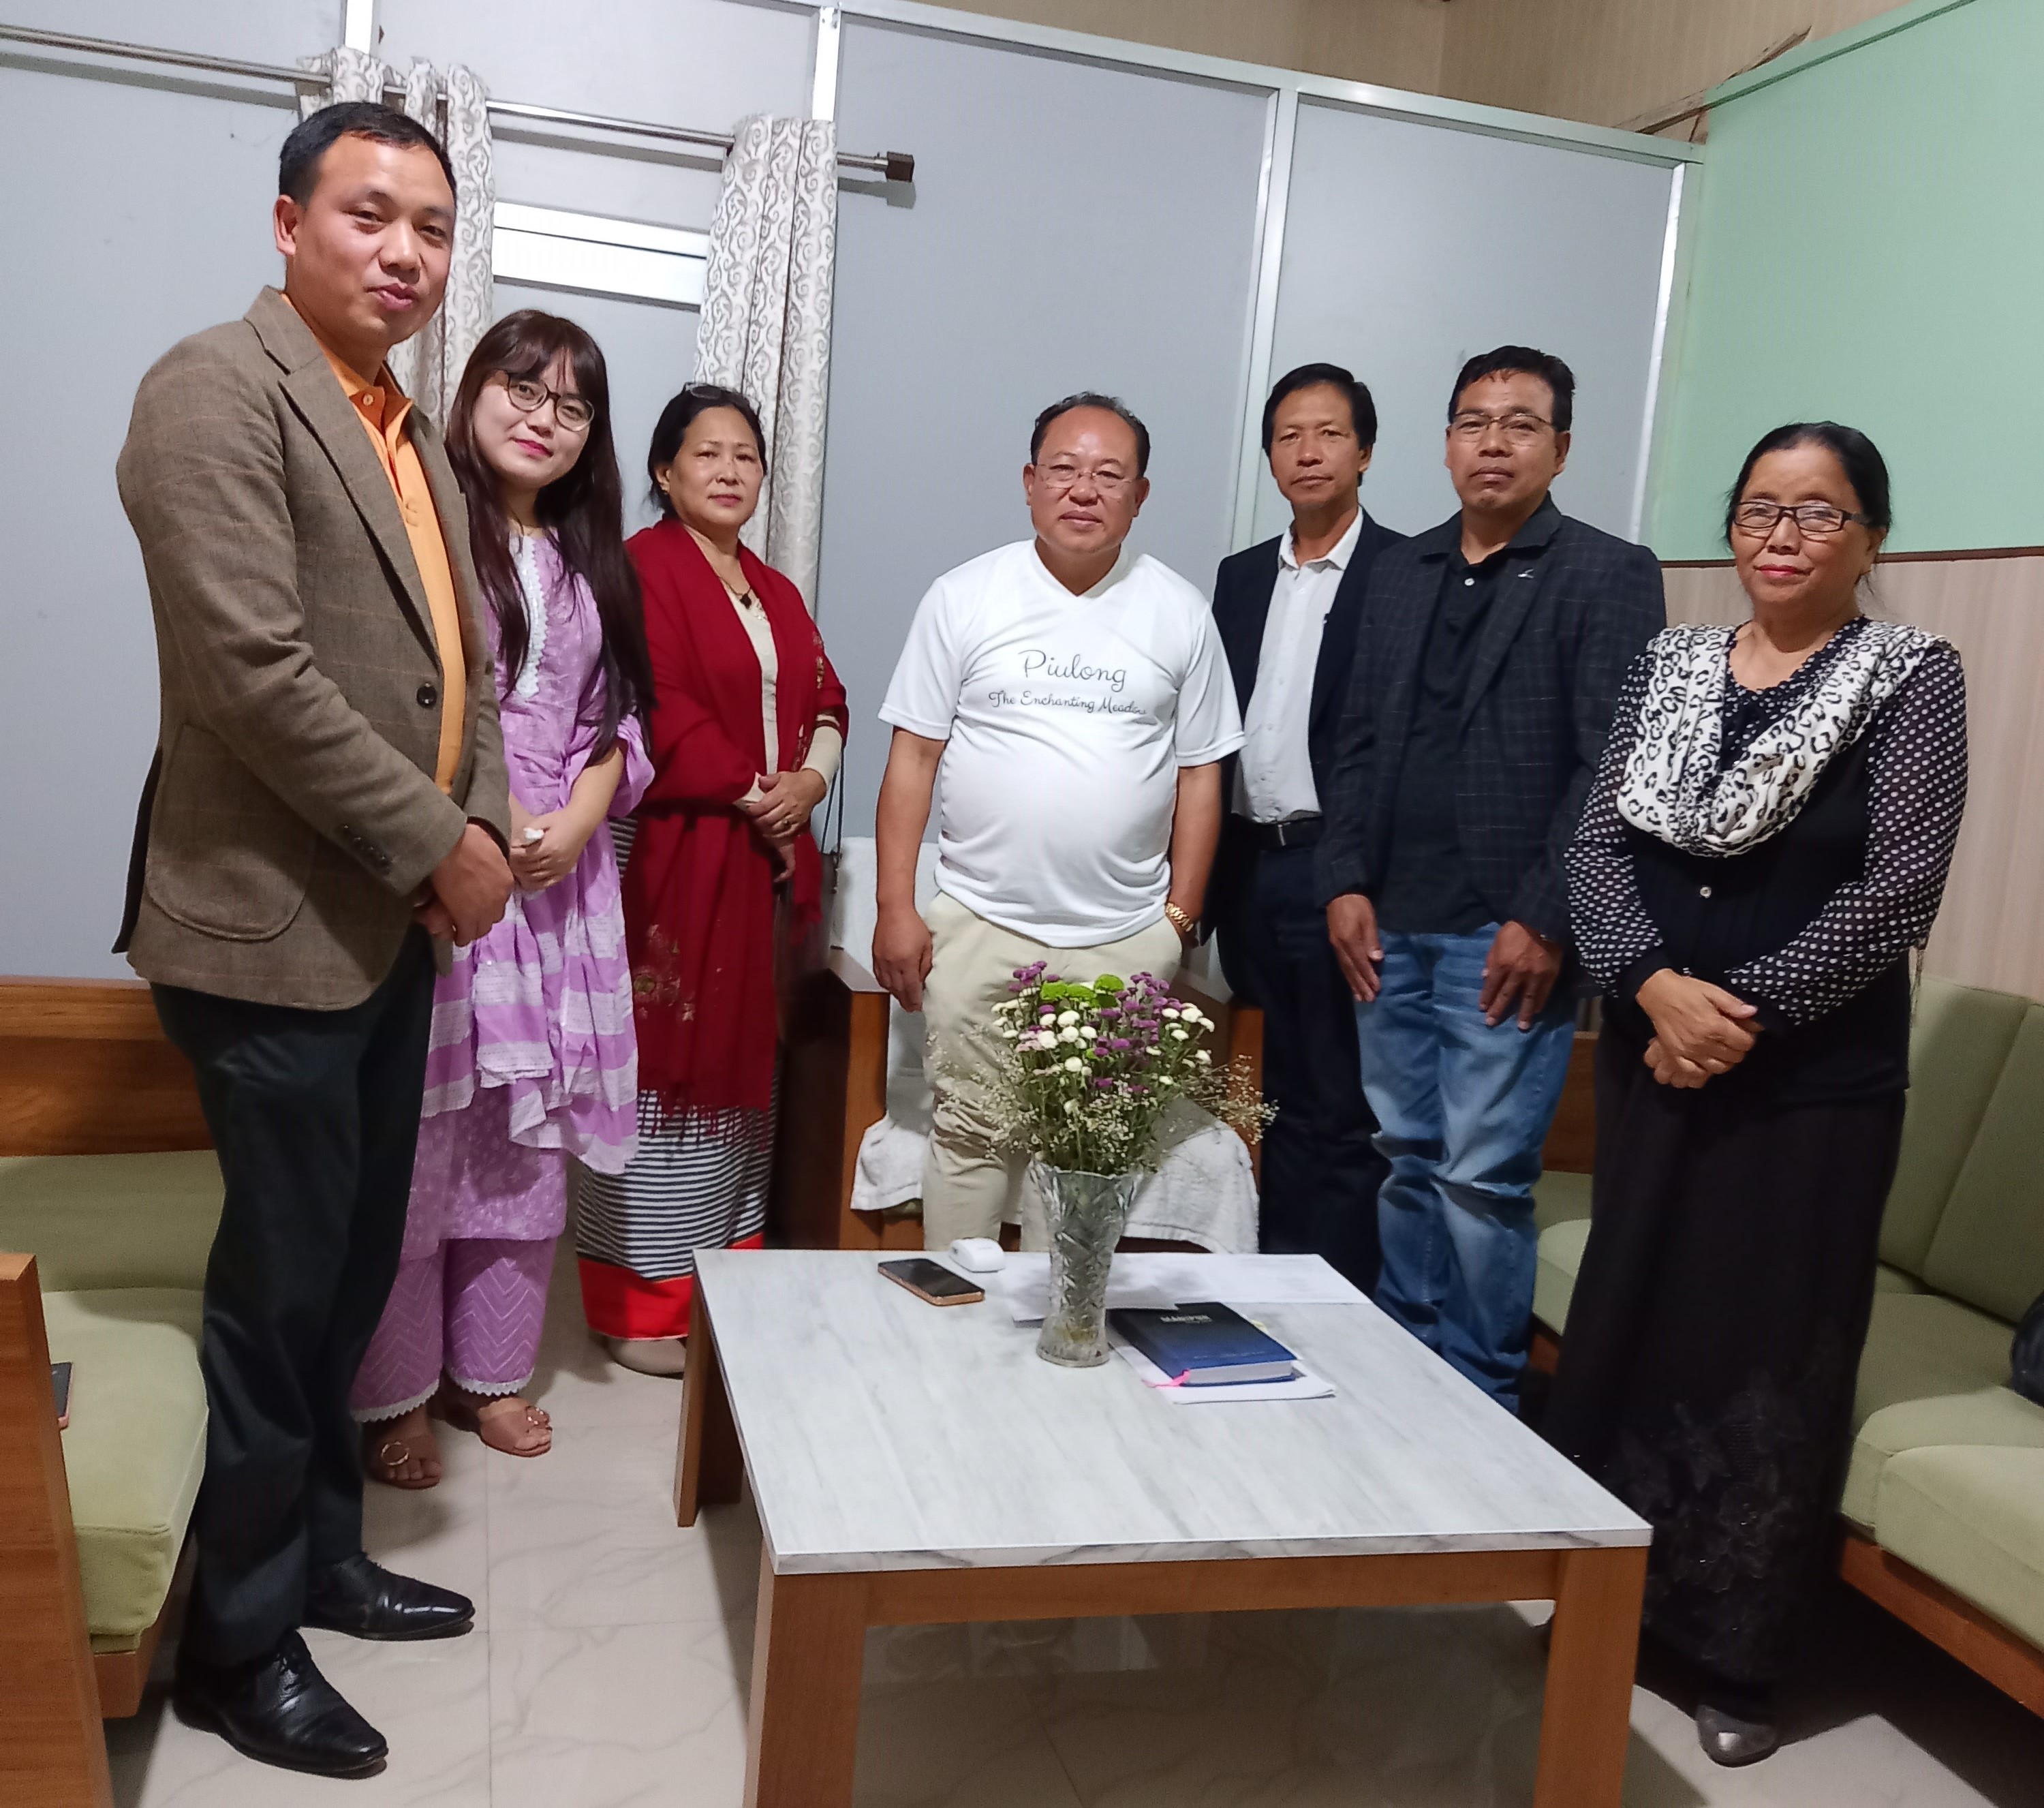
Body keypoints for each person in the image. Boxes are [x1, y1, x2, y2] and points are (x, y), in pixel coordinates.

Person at [114, 102, 513, 1776]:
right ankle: (236, 1643)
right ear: (290, 225)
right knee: (279, 1294)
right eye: (370, 215)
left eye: (433, 227)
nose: (406, 253)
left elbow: (456, 665)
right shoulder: (212, 387)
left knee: (350, 1270)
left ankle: (325, 1558)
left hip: (390, 926)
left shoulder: (406, 427)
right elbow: (251, 673)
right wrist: (442, 845)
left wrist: (483, 826)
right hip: (269, 928)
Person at [1547, 423, 1966, 1766]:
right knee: (1632, 1320)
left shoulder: (1912, 677)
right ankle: (1608, 1596)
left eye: (1819, 512)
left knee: (1770, 1354)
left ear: (1871, 536)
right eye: (1760, 509)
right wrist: (1651, 987)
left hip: (1811, 1085)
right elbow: (1595, 846)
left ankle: (1740, 1653)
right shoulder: (1670, 662)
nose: (1784, 536)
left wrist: (1737, 1015)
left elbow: (1897, 888)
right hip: (1653, 1054)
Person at [1317, 346, 1664, 1410]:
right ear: (1446, 443)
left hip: (1505, 929)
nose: (1495, 442)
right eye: (1475, 422)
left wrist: (1546, 914)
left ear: (1562, 446)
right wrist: (1343, 880)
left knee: (1482, 1176)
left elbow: (1615, 761)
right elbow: (1355, 737)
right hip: (1389, 918)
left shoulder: (1606, 571)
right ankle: (1403, 1374)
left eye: (1521, 423)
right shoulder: (1400, 569)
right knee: (1405, 1153)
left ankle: (1480, 1398)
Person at [350, 312, 654, 1484]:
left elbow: (619, 722)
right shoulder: (425, 529)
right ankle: (395, 1394)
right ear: (472, 392)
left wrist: (576, 824)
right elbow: (402, 699)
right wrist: (483, 824)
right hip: (445, 878)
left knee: (526, 1151)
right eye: (522, 390)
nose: (543, 419)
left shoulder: (593, 564)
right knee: (420, 1147)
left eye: (572, 406)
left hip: (558, 896)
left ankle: (490, 1377)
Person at [872, 393, 1244, 1249]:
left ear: (1140, 495)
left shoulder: (1179, 611)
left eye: (1109, 474)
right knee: (969, 1136)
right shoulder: (964, 596)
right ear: (1030, 482)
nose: (1084, 489)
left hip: (1123, 938)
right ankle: (959, 1318)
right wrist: (896, 906)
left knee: (1081, 1151)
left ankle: (1059, 1320)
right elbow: (913, 759)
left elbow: (1201, 774)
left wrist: (1178, 920)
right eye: (1065, 470)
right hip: (981, 924)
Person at [573, 384, 847, 1369]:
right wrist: (757, 794)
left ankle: (721, 1288)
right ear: (664, 469)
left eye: (746, 456)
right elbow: (658, 706)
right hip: (671, 860)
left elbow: (827, 696)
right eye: (707, 453)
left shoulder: (774, 589)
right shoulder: (638, 568)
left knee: (742, 1075)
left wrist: (810, 782)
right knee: (660, 1073)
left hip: (758, 860)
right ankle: (643, 1308)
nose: (730, 471)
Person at [1208, 363, 1403, 1291]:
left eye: (1329, 433)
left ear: (1365, 451)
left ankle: (1340, 1302)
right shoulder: (1241, 577)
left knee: (1343, 1101)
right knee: (1271, 1094)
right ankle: (1275, 1289)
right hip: (1251, 865)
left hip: (1342, 868)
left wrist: (1354, 874)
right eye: (1289, 435)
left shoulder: (1404, 571)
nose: (1309, 451)